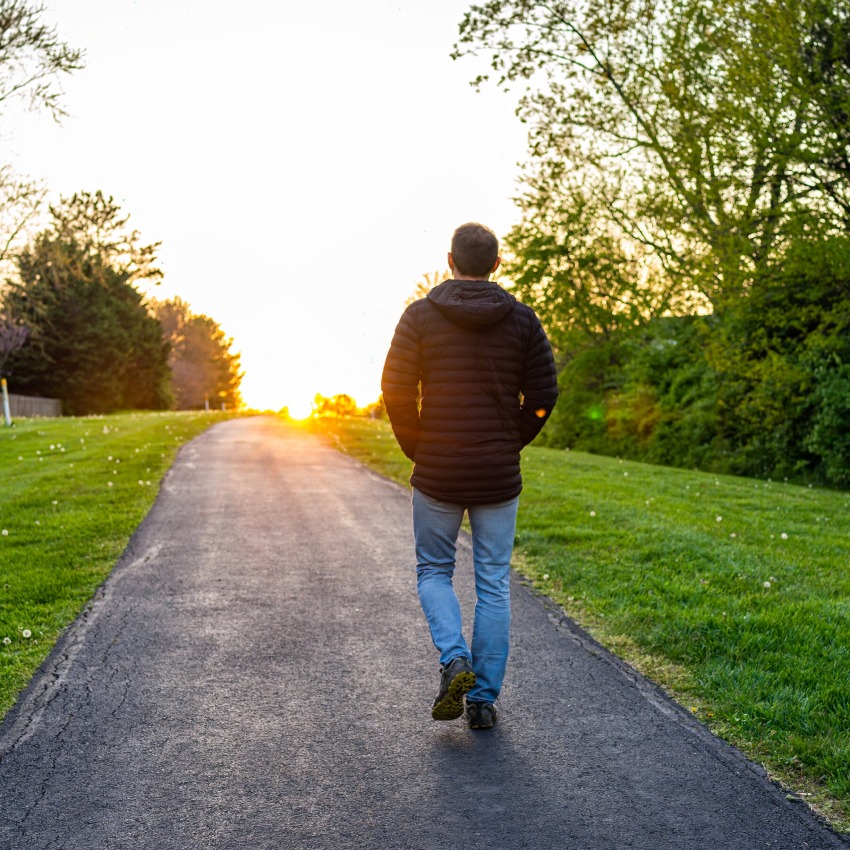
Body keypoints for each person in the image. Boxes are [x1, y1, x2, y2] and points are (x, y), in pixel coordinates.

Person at [381, 222, 558, 729]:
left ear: (450, 261)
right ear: (496, 264)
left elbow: (395, 390)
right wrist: (511, 440)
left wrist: (418, 446)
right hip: (497, 475)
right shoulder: (523, 320)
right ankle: (481, 701)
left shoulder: (419, 316)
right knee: (493, 583)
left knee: (434, 570)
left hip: (437, 469)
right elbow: (543, 397)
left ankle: (453, 658)